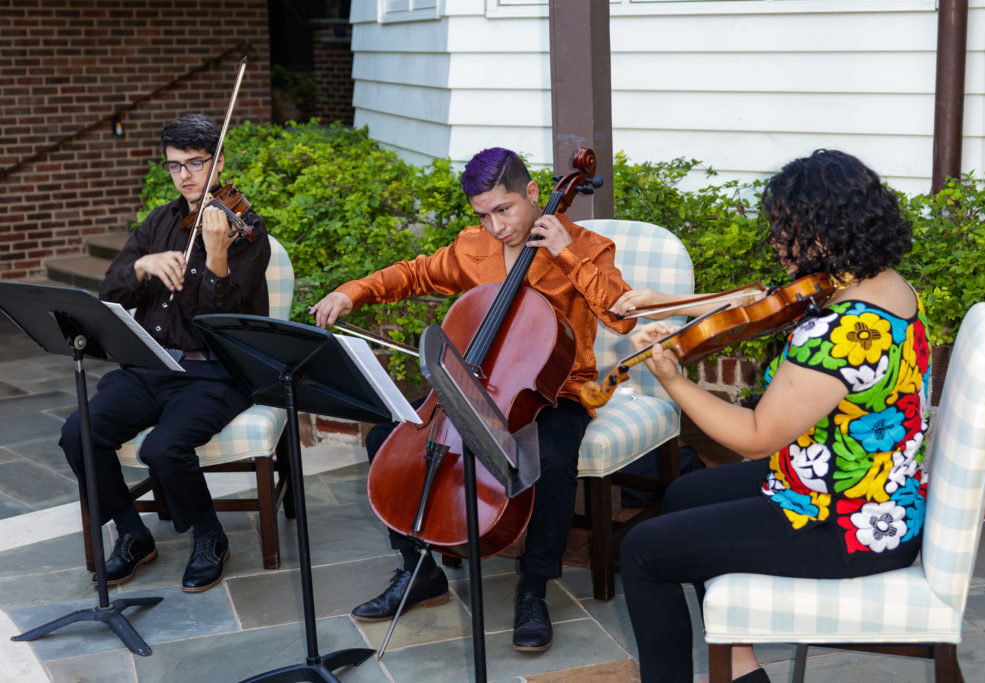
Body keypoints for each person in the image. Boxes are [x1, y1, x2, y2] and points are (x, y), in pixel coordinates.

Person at [619, 149, 930, 682]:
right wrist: (674, 304)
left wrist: (673, 382)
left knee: (644, 551)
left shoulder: (838, 336)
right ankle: (741, 667)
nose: (778, 243)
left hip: (847, 525)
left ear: (827, 230)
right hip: (865, 487)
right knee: (682, 495)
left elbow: (755, 437)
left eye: (788, 230)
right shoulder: (884, 286)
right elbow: (764, 301)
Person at [310, 147, 636, 651]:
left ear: (532, 194)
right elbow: (415, 272)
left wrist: (566, 251)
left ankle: (534, 587)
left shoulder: (587, 246)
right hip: (478, 383)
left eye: (503, 210)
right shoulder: (472, 247)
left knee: (549, 458)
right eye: (482, 215)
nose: (496, 226)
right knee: (389, 440)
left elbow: (622, 314)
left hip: (555, 392)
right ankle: (419, 572)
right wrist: (355, 291)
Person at [60, 113, 270, 592]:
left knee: (163, 447)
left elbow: (226, 321)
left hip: (213, 374)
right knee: (79, 432)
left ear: (218, 164)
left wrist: (216, 256)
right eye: (175, 166)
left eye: (196, 163)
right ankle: (134, 536)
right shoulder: (158, 222)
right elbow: (110, 296)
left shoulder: (247, 232)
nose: (186, 176)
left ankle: (210, 536)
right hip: (149, 364)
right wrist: (142, 266)